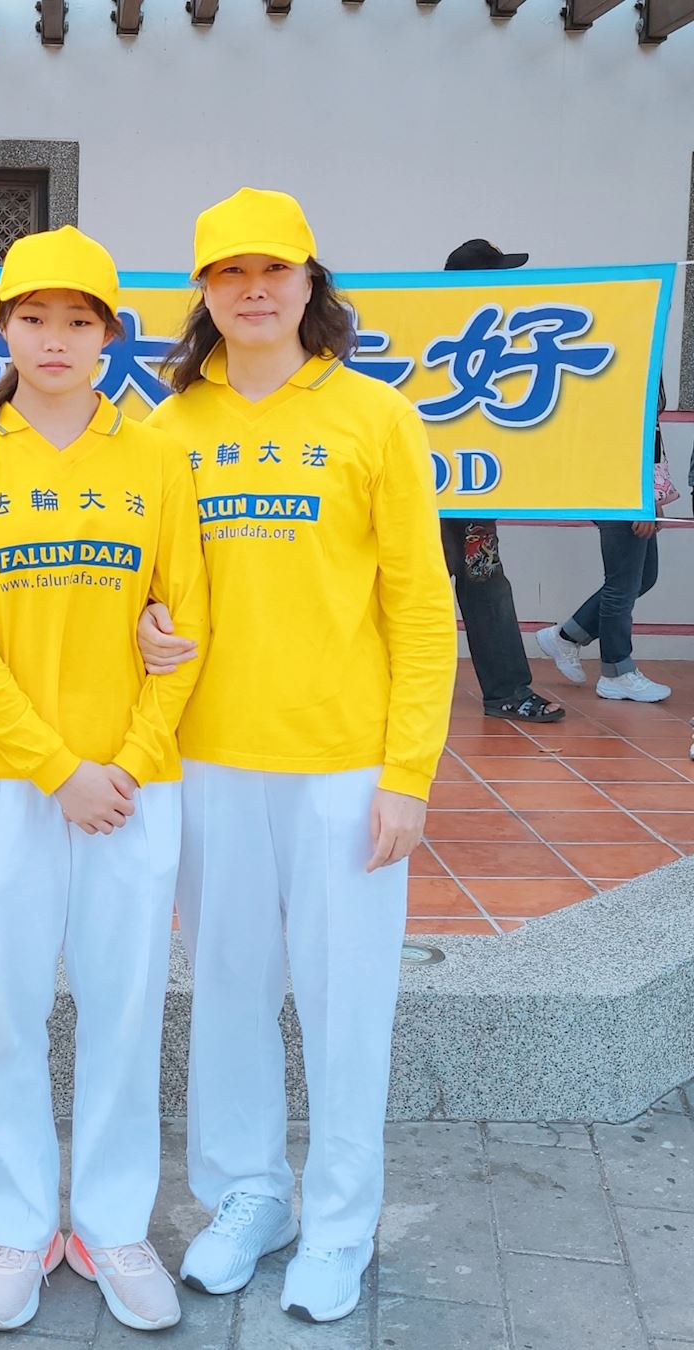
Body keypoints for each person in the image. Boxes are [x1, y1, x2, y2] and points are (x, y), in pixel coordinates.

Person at [137, 188, 457, 1324]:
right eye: (228, 272)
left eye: (273, 269)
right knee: (227, 986)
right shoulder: (166, 426)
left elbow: (421, 608)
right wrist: (142, 629)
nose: (253, 290)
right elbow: (137, 583)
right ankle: (248, 1195)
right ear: (203, 293)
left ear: (311, 281)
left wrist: (408, 773)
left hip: (343, 765)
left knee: (345, 998)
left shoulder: (375, 417)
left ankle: (339, 1222)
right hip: (208, 759)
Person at [0, 226, 209, 1335]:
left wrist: (124, 762)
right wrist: (56, 770)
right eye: (33, 318)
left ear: (110, 334)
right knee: (7, 1009)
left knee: (126, 1008)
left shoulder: (156, 456)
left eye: (78, 320)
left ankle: (113, 1225)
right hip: (2, 783)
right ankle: (19, 1226)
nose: (54, 339)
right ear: (1, 328)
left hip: (133, 786)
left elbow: (189, 625)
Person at [440, 239, 563, 723]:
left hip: (472, 494)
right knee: (418, 594)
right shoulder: (435, 331)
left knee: (486, 585)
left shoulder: (499, 335)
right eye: (499, 274)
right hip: (421, 495)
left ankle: (508, 691)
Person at [536, 381, 671, 702]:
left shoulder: (643, 361)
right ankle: (617, 671)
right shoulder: (622, 366)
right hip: (618, 486)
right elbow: (620, 437)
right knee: (622, 584)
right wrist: (642, 498)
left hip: (630, 486)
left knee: (643, 576)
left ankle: (567, 636)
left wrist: (653, 493)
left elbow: (649, 435)